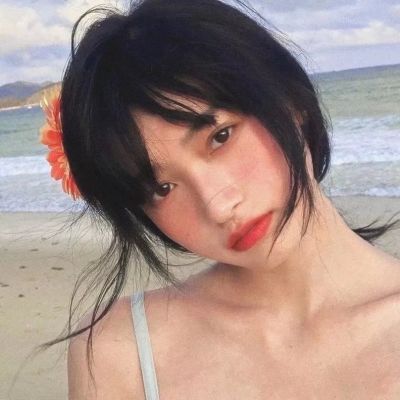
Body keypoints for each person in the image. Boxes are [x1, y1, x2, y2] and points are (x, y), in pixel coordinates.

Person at [39, 0, 400, 398]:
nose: (218, 207)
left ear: (290, 100)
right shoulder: (120, 354)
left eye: (220, 136)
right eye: (162, 189)